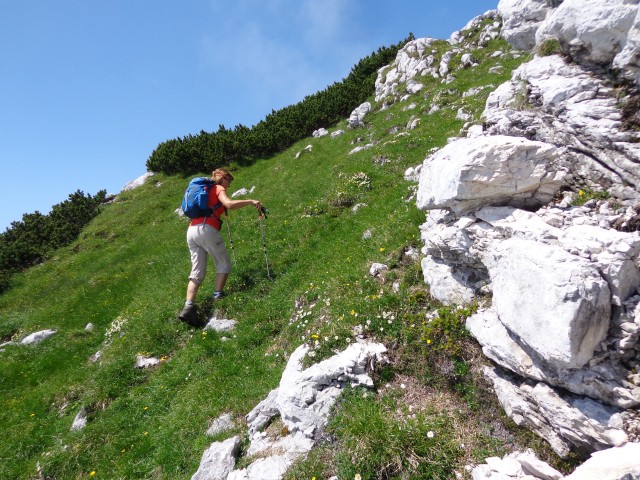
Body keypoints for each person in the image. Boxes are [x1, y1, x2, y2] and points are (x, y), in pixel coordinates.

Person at [178, 168, 261, 326]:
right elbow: (229, 204)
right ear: (222, 178)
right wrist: (251, 201)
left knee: (197, 271)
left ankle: (188, 307)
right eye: (229, 180)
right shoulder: (217, 188)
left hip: (191, 231)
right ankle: (218, 297)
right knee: (223, 264)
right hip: (206, 229)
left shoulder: (204, 190)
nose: (229, 185)